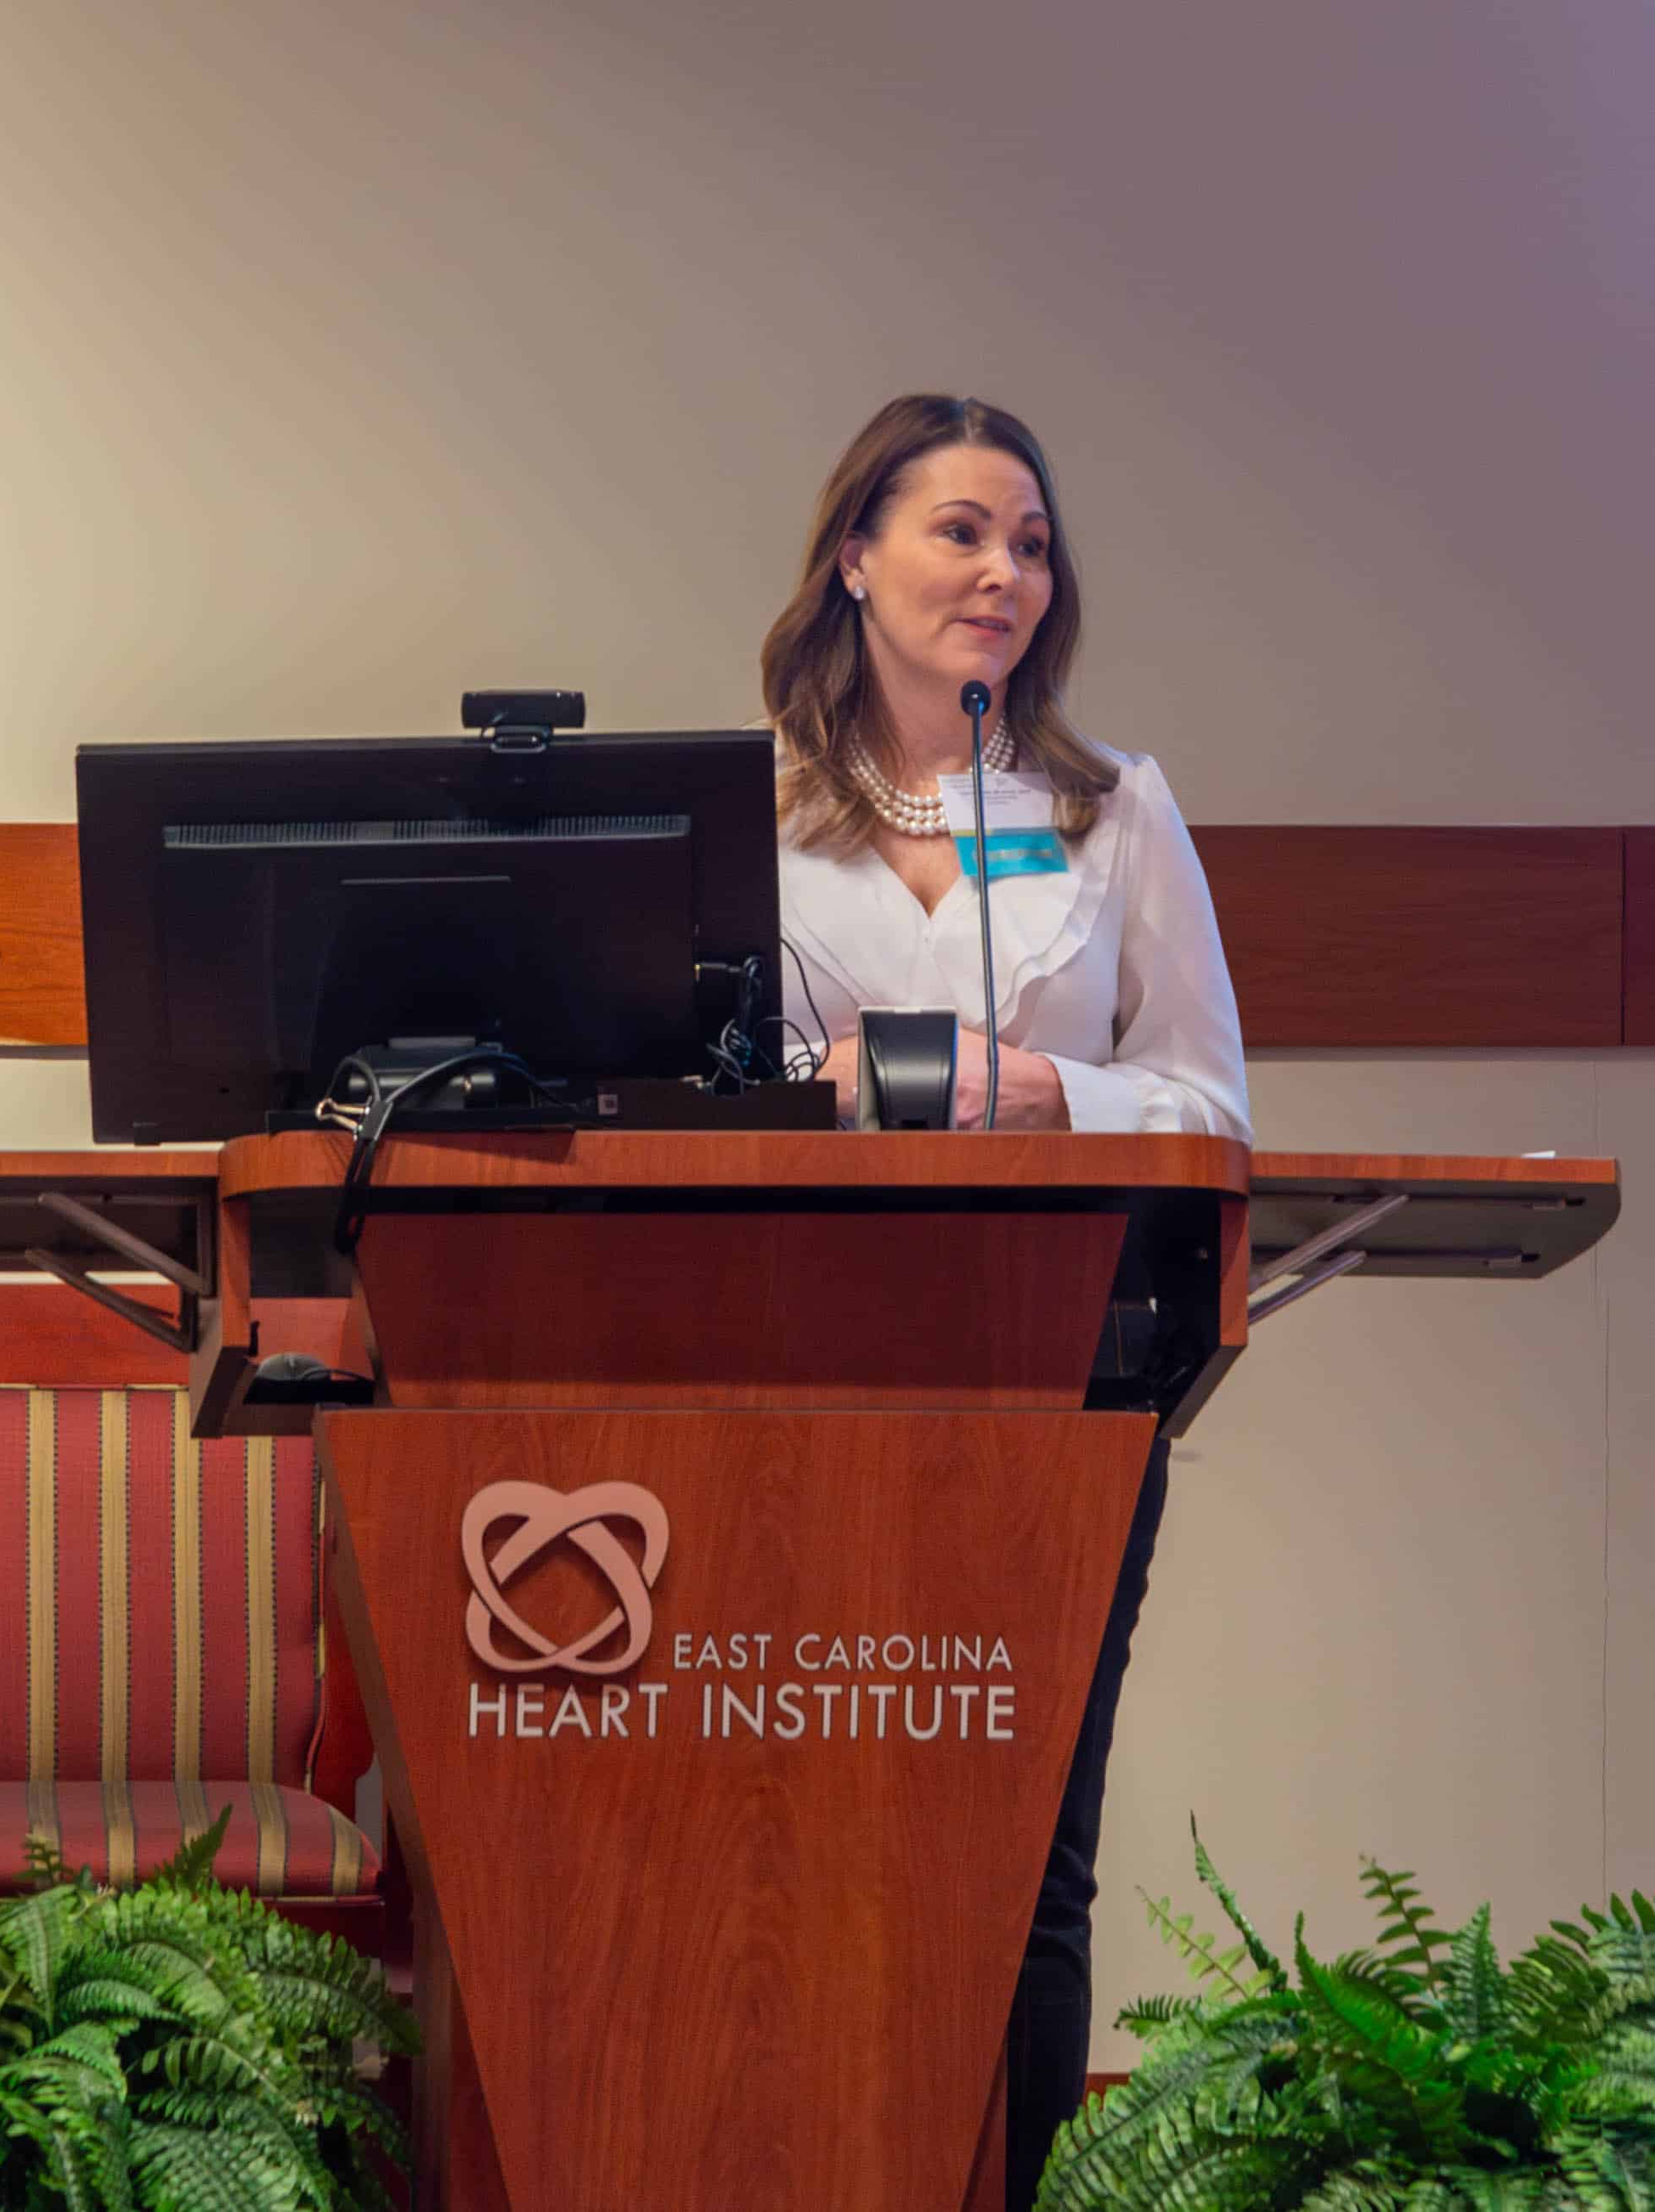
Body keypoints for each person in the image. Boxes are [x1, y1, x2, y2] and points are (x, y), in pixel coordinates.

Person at [761, 392, 1249, 2203]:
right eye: (960, 530)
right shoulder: (746, 813)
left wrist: (1059, 1094)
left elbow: (1207, 1105)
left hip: (1059, 1365)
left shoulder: (1109, 812)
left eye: (1028, 542)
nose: (1001, 572)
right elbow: (655, 1080)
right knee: (799, 1829)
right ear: (854, 556)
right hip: (787, 1368)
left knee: (1024, 1845)